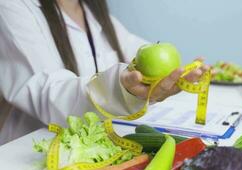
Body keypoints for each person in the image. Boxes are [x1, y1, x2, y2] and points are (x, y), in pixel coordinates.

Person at [0, 0, 208, 145]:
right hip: (27, 152)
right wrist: (121, 89)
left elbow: (139, 51)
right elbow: (47, 92)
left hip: (86, 145)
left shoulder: (95, 16)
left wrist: (177, 74)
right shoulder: (11, 7)